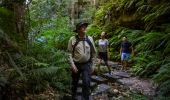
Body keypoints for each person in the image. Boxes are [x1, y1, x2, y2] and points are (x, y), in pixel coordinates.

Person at [67, 22, 96, 100]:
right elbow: (69, 53)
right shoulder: (72, 39)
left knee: (86, 83)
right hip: (76, 64)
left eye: (85, 27)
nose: (85, 28)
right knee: (75, 82)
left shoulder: (90, 39)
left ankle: (85, 98)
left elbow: (94, 53)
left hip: (86, 65)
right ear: (78, 30)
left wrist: (93, 65)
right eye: (82, 27)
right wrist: (72, 65)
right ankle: (73, 95)